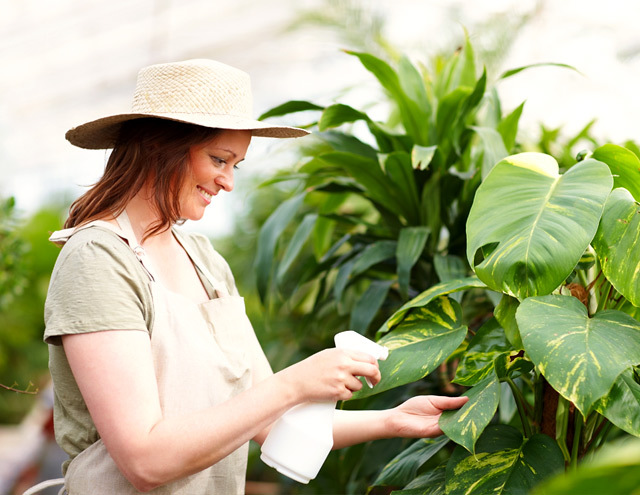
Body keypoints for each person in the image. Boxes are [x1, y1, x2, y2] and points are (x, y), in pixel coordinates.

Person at [40, 59, 468, 494]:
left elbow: (268, 421)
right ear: (158, 146)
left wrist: (393, 420)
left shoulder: (205, 261)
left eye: (236, 165)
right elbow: (145, 459)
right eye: (219, 159)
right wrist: (297, 381)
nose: (228, 182)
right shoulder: (99, 260)